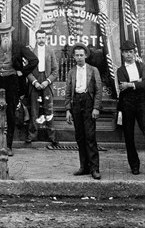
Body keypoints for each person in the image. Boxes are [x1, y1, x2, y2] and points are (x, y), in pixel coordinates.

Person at [0, 21, 38, 157]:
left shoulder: (18, 46)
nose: (5, 36)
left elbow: (34, 60)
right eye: (2, 34)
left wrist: (22, 72)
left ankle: (8, 146)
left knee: (10, 113)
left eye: (7, 33)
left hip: (12, 81)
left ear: (10, 33)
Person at [65, 43, 102, 180]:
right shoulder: (71, 72)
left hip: (88, 103)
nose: (79, 57)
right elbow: (68, 92)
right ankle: (84, 166)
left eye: (81, 55)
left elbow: (98, 90)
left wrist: (96, 108)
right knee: (80, 136)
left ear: (86, 55)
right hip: (76, 104)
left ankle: (95, 168)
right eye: (77, 55)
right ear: (73, 57)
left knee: (90, 136)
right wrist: (68, 109)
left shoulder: (93, 70)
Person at [25, 29, 59, 147]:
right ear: (36, 38)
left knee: (48, 109)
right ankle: (31, 136)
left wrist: (47, 81)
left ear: (46, 38)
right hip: (35, 80)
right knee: (34, 110)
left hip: (46, 80)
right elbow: (27, 70)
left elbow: (55, 70)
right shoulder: (31, 51)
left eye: (43, 38)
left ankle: (52, 137)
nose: (41, 40)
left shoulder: (50, 51)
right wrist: (34, 82)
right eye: (39, 38)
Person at [116, 40, 145, 175]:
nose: (128, 55)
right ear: (122, 54)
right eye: (126, 52)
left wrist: (130, 84)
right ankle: (134, 165)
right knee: (129, 135)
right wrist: (137, 82)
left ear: (134, 53)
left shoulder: (141, 66)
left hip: (142, 104)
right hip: (127, 104)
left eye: (131, 52)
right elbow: (122, 85)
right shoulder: (120, 70)